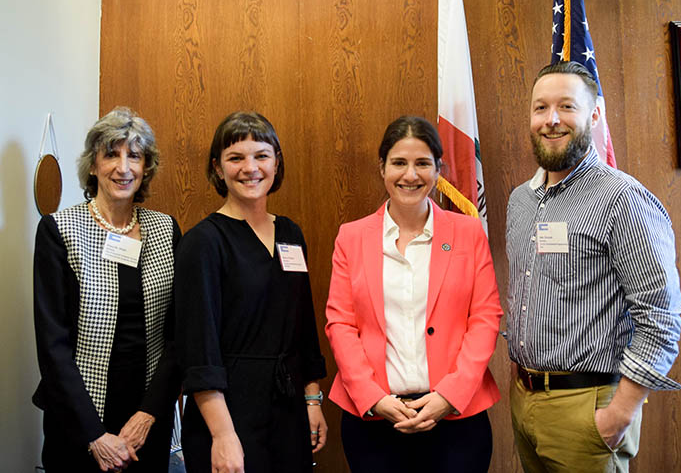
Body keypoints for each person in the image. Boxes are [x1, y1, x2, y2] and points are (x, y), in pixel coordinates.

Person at [505, 61, 681, 472]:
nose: (551, 120)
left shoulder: (621, 199)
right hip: (524, 399)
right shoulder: (520, 201)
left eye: (567, 107)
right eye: (540, 108)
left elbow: (661, 314)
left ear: (594, 115)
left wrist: (620, 412)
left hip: (589, 406)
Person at [325, 116, 504, 473]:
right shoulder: (352, 237)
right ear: (382, 168)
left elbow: (485, 319)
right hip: (373, 423)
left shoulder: (468, 232)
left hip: (456, 421)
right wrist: (373, 398)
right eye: (399, 163)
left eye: (422, 163)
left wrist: (449, 396)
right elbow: (340, 324)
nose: (410, 175)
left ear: (439, 168)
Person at [174, 111, 327, 473]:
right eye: (235, 158)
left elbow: (303, 326)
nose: (250, 168)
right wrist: (223, 436)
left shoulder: (290, 233)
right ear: (217, 167)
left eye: (261, 155)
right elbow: (199, 349)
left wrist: (312, 400)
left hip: (288, 409)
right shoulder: (203, 242)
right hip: (227, 412)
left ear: (277, 162)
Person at [33, 107, 182, 472]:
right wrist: (94, 435)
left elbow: (179, 334)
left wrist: (149, 413)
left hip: (147, 419)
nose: (124, 167)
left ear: (147, 167)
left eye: (135, 155)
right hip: (78, 419)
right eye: (111, 154)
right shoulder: (59, 230)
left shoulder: (166, 229)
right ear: (94, 164)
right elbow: (53, 345)